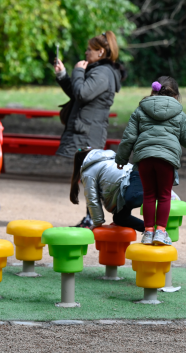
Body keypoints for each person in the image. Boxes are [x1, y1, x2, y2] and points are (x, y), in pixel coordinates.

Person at [115, 76, 186, 245]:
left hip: (145, 158)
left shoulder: (140, 110)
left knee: (149, 195)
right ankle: (160, 232)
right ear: (175, 96)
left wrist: (121, 158)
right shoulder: (179, 114)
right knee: (164, 196)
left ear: (154, 90)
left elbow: (129, 137)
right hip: (166, 159)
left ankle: (148, 232)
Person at [55, 31, 125, 228]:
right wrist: (62, 75)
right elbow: (78, 93)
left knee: (89, 176)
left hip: (89, 132)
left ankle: (94, 218)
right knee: (88, 176)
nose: (86, 53)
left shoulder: (103, 73)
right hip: (86, 130)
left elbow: (83, 93)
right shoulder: (99, 71)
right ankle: (92, 217)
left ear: (101, 51)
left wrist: (77, 71)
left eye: (89, 49)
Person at [70, 147, 145, 232]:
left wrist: (97, 223)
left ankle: (157, 196)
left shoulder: (88, 172)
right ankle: (151, 230)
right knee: (120, 218)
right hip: (130, 181)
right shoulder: (108, 157)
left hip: (133, 178)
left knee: (132, 199)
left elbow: (92, 199)